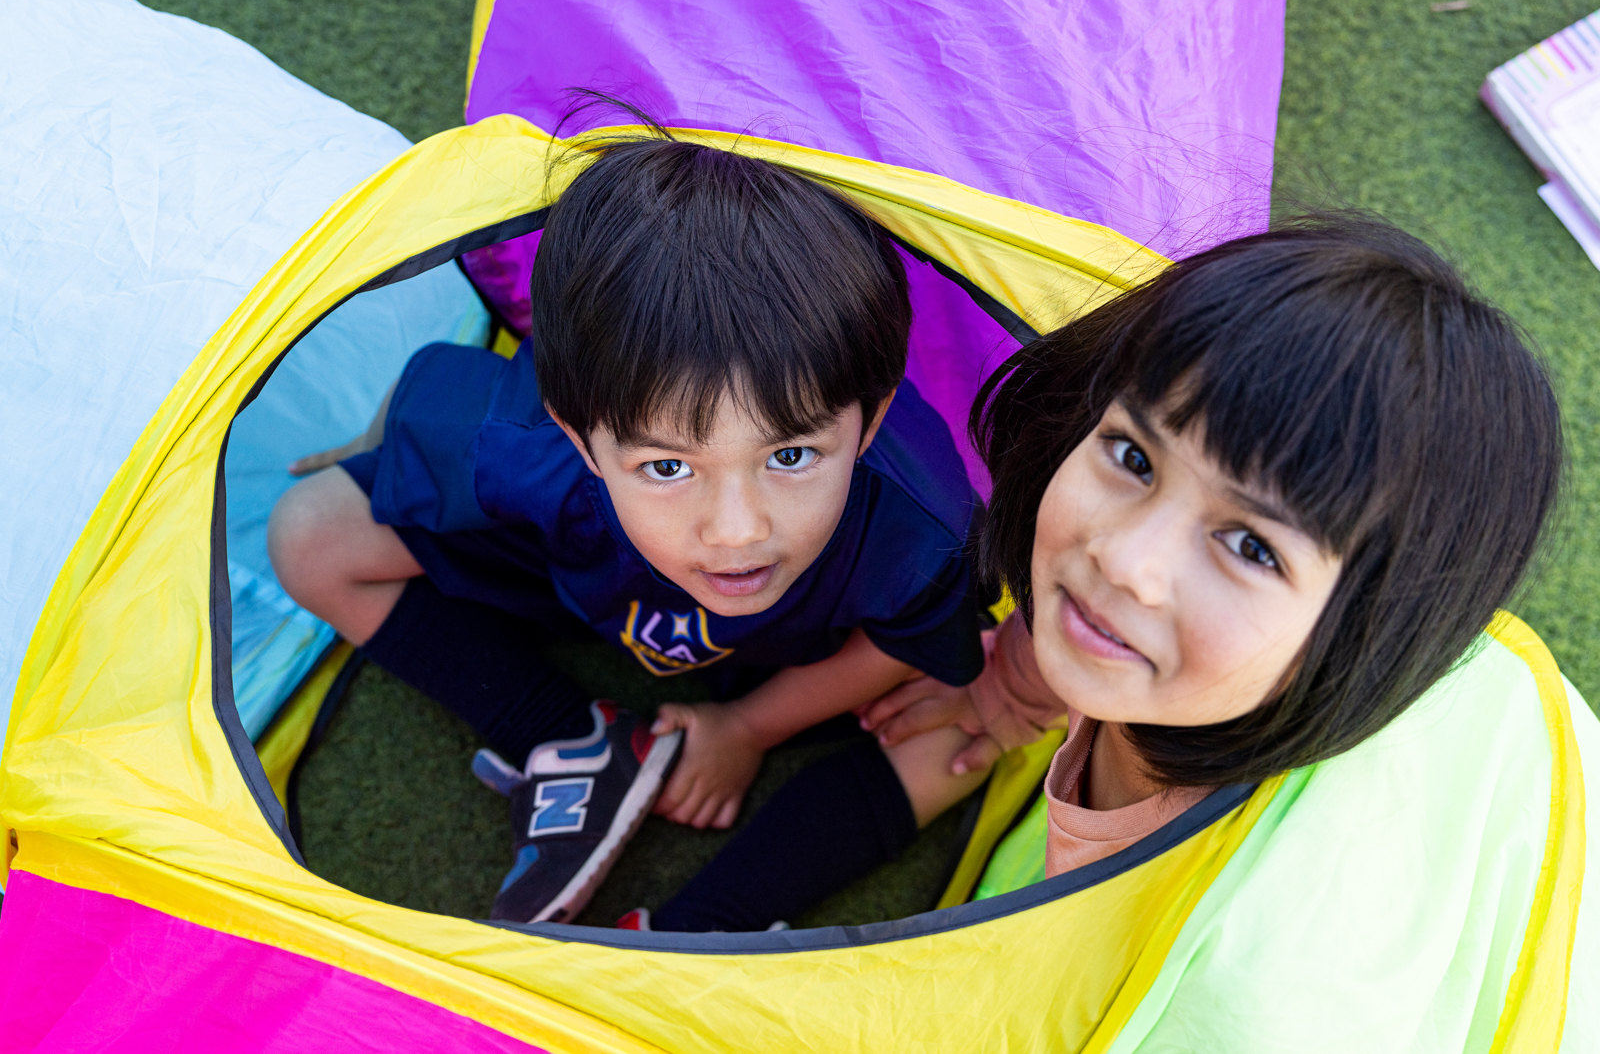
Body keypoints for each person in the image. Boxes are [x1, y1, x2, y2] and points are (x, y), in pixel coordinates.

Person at [639, 215, 1562, 930]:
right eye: (1132, 455)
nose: (1126, 559)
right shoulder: (1169, 667)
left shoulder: (1233, 962)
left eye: (1251, 546)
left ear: (1363, 633)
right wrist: (1027, 671)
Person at [267, 123, 989, 925]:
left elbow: (897, 642)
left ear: (870, 418)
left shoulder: (921, 523)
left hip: (786, 657)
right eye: (669, 467)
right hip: (579, 571)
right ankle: (573, 742)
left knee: (968, 724)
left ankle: (700, 929)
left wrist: (747, 726)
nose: (738, 530)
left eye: (790, 456)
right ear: (581, 438)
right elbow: (430, 397)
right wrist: (377, 443)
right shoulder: (533, 449)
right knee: (309, 532)